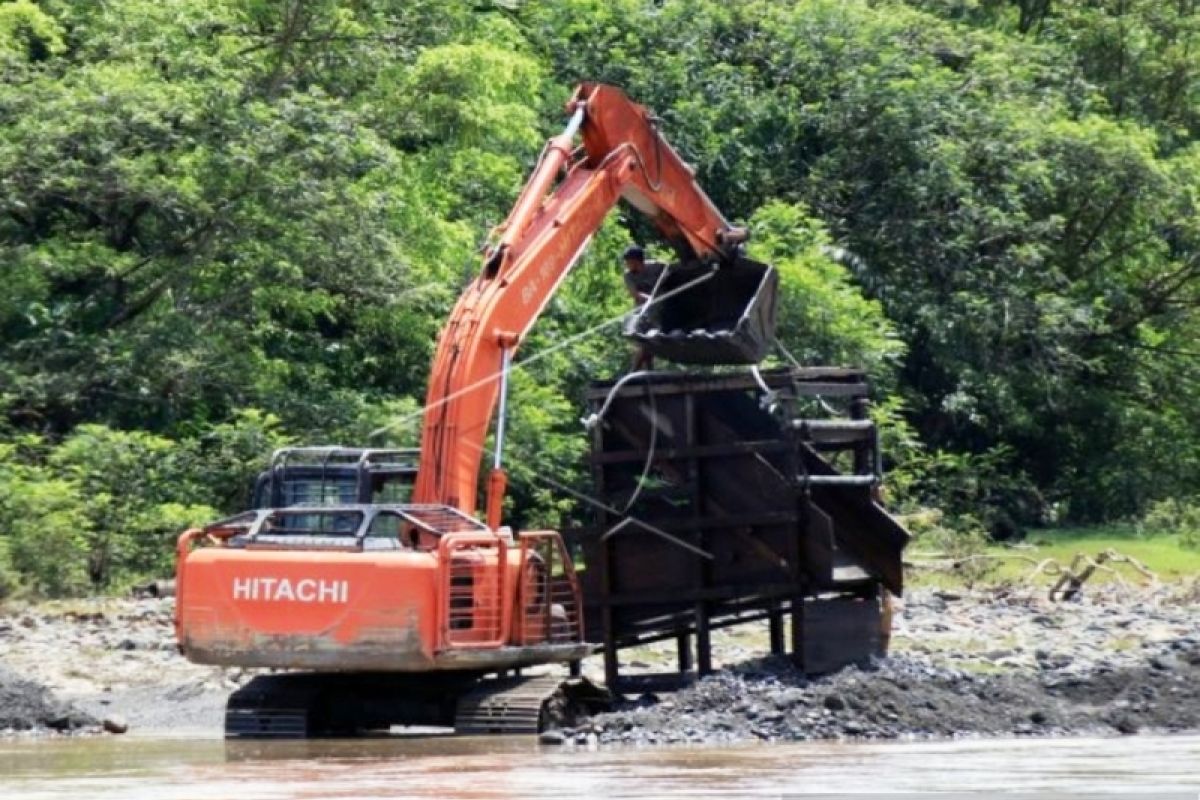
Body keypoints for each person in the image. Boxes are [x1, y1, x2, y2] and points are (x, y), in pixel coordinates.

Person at [621, 245, 666, 370]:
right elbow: (635, 294)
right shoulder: (628, 276)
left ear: (636, 261)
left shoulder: (656, 267)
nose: (627, 265)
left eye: (629, 262)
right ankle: (634, 371)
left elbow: (670, 269)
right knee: (642, 342)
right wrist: (651, 298)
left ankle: (648, 372)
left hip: (659, 310)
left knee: (650, 344)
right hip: (642, 312)